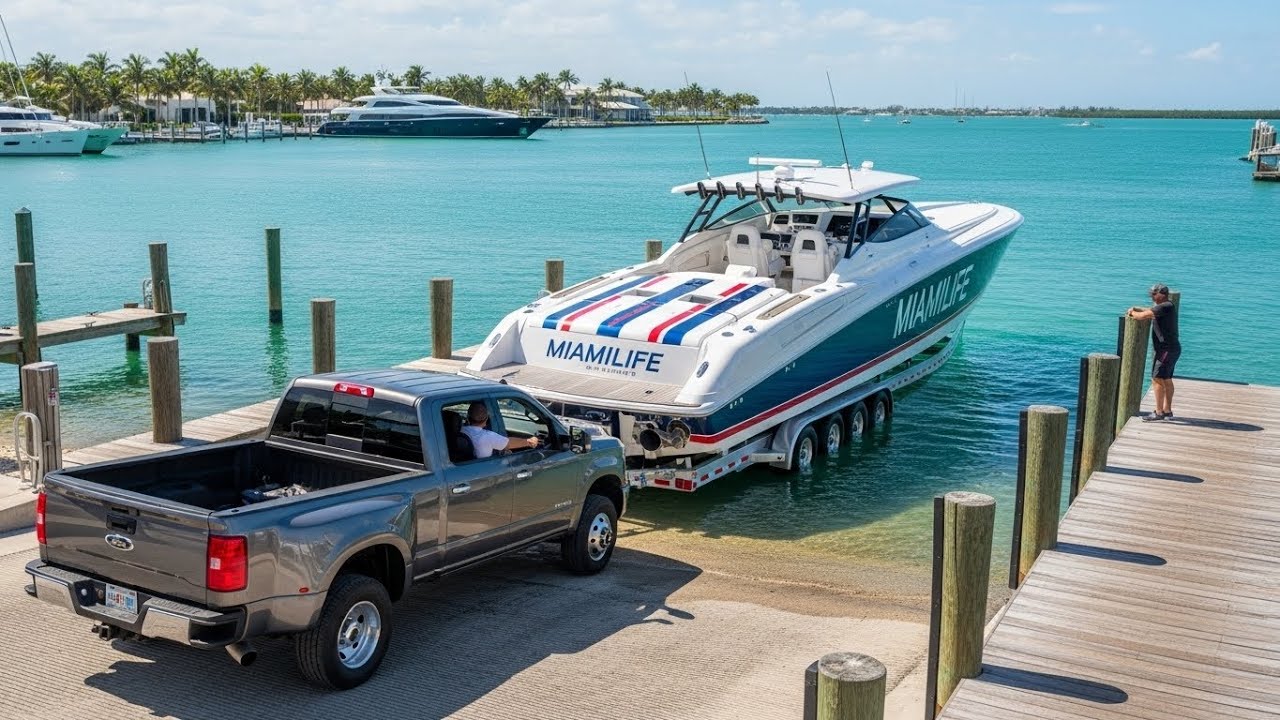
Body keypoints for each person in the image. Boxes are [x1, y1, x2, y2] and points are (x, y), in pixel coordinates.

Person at [1127, 283, 1180, 421]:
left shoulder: (1164, 306)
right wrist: (1138, 309)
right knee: (1166, 379)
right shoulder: (1167, 306)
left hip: (1165, 350)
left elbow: (1143, 316)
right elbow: (1151, 311)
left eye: (1153, 295)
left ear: (1161, 294)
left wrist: (1132, 313)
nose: (1151, 297)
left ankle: (1159, 412)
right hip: (1172, 349)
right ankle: (1167, 411)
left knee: (1156, 379)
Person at [461, 401, 540, 458]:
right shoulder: (487, 436)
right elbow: (508, 444)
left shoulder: (461, 430)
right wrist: (530, 441)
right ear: (487, 419)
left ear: (468, 417)